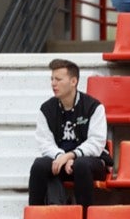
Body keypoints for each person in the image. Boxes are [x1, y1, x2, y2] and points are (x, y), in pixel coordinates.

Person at [27, 58, 107, 209]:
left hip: (90, 162)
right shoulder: (46, 109)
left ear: (73, 81)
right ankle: (36, 216)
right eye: (52, 79)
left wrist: (71, 156)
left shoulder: (94, 107)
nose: (53, 84)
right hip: (60, 161)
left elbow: (96, 143)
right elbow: (44, 142)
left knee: (81, 165)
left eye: (58, 79)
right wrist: (61, 157)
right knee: (39, 165)